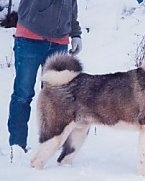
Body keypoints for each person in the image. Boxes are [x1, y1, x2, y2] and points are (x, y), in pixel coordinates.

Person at [7, 0, 82, 162]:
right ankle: (17, 146)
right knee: (23, 93)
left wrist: (75, 33)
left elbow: (71, 6)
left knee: (56, 99)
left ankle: (50, 145)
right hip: (30, 37)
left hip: (59, 42)